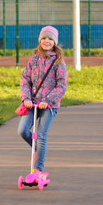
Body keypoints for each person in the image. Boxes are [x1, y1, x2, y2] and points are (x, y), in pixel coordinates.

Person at [18, 25, 68, 176]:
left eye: (50, 39)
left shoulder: (58, 62)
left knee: (40, 135)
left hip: (49, 105)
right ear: (40, 40)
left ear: (55, 42)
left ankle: (38, 170)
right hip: (32, 102)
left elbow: (62, 86)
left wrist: (48, 100)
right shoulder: (33, 59)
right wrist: (26, 97)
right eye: (44, 38)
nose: (47, 41)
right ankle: (38, 150)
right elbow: (25, 79)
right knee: (22, 130)